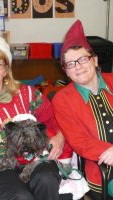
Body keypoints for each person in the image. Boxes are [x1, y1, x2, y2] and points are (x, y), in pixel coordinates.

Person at [0, 22, 72, 200]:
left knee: (46, 179)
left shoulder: (27, 93)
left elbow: (56, 119)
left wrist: (60, 137)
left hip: (36, 158)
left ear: (6, 70)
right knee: (21, 196)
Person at [52, 19, 113, 200]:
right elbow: (80, 141)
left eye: (82, 59)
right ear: (66, 71)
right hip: (104, 169)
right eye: (70, 64)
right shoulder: (62, 100)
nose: (77, 67)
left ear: (94, 60)